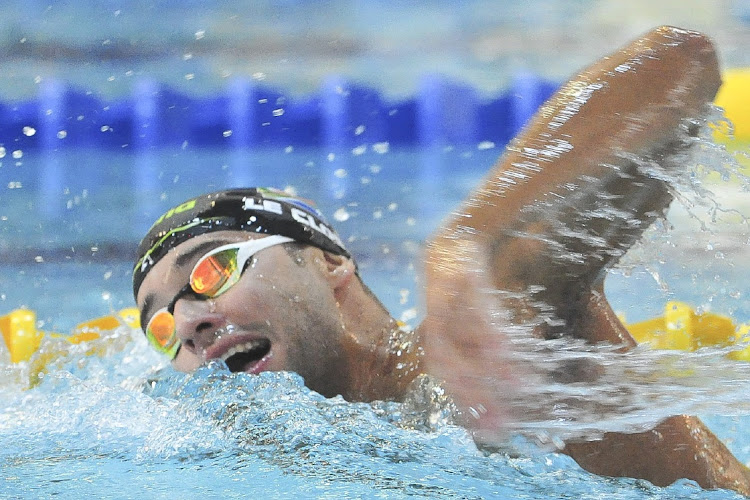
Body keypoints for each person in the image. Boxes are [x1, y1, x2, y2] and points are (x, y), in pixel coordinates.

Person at [133, 26, 750, 495]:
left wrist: (472, 239)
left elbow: (677, 61)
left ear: (328, 262)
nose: (188, 323)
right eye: (161, 327)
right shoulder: (291, 459)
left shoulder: (495, 327)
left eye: (209, 271)